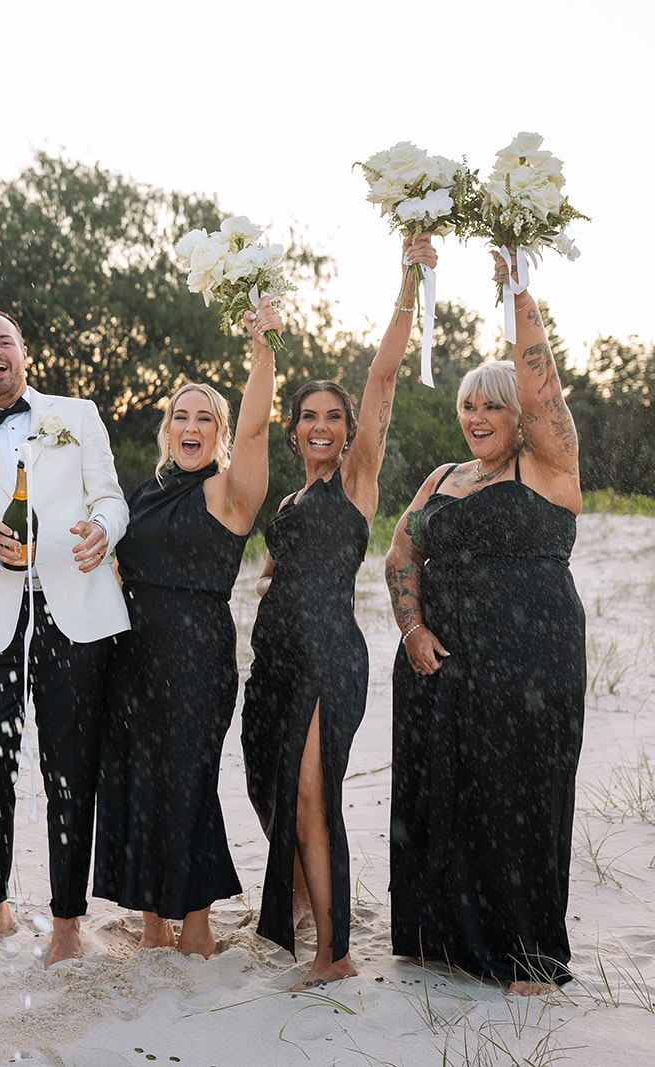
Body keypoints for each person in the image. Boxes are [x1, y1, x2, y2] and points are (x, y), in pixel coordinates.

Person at [384, 252, 584, 995]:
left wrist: (518, 291)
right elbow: (401, 555)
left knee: (520, 796)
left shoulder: (549, 467)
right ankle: (443, 936)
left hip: (531, 660)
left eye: (491, 406)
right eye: (467, 405)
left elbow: (542, 384)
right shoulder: (441, 478)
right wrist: (412, 629)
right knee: (442, 794)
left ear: (519, 417)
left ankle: (527, 953)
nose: (475, 417)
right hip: (439, 664)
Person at [241, 235, 437, 988]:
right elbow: (279, 567)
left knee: (313, 794)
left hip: (329, 653)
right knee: (273, 785)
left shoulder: (355, 482)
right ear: (293, 428)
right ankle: (298, 896)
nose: (320, 425)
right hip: (276, 659)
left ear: (349, 429)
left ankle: (336, 955)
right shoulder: (288, 501)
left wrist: (407, 282)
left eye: (333, 416)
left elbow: (382, 377)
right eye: (308, 416)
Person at [0, 307, 129, 967]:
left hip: (74, 612)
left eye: (4, 341)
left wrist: (105, 528)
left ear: (23, 352)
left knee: (70, 768)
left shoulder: (77, 415)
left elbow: (111, 499)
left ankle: (67, 920)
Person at [95, 300, 280, 958]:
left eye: (206, 417)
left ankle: (196, 924)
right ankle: (152, 920)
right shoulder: (144, 493)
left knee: (188, 780)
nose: (191, 425)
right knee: (138, 778)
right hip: (132, 652)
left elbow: (256, 431)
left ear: (220, 432)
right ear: (167, 428)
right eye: (181, 414)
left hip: (197, 654)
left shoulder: (229, 491)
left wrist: (263, 352)